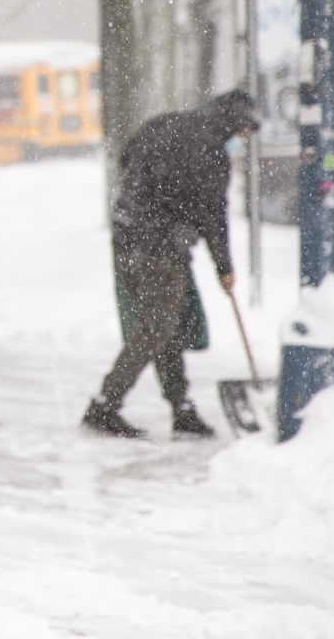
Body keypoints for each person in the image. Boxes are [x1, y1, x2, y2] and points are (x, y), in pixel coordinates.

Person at [82, 89, 260, 439]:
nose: (241, 141)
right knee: (157, 328)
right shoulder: (212, 151)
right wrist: (224, 266)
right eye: (243, 133)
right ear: (234, 122)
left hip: (126, 237)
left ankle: (181, 409)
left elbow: (127, 157)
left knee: (165, 327)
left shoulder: (164, 124)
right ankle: (104, 405)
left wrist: (150, 197)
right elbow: (213, 215)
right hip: (159, 248)